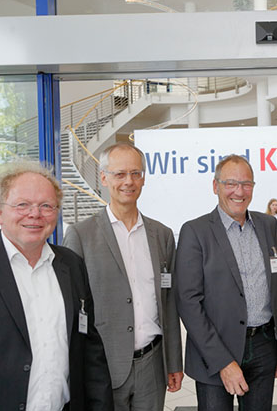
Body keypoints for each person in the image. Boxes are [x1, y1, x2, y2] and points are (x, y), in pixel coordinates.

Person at [0, 161, 113, 410]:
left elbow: (90, 349)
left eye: (46, 206)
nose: (35, 214)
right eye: (22, 205)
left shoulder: (70, 264)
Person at [63, 143, 183, 411]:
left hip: (152, 366)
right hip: (103, 365)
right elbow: (73, 310)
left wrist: (173, 362)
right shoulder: (80, 235)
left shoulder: (162, 235)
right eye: (119, 174)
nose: (129, 181)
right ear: (103, 178)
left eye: (136, 173)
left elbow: (169, 303)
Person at [175, 154, 277, 411]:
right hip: (215, 351)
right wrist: (223, 362)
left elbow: (276, 287)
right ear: (216, 186)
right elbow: (188, 302)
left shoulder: (268, 225)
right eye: (231, 183)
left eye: (247, 184)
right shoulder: (195, 232)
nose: (239, 191)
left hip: (263, 346)